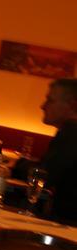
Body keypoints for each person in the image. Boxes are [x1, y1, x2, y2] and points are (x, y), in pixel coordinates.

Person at [39, 78, 77, 223]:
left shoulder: (71, 134)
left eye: (50, 100)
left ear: (72, 105)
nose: (42, 106)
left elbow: (44, 177)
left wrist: (15, 166)